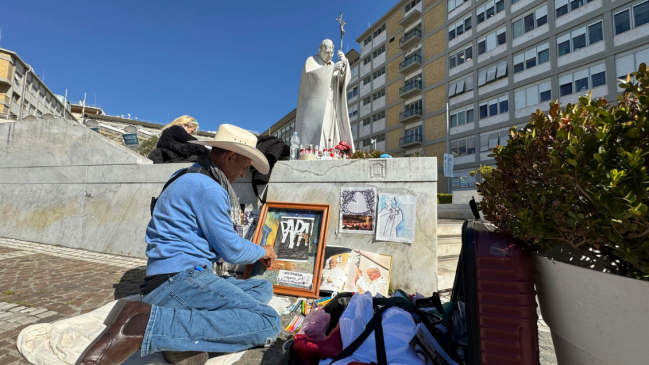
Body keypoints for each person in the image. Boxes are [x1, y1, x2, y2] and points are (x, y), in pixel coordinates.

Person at [75, 124, 280, 365]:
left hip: (179, 276)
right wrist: (262, 251)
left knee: (262, 290)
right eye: (244, 167)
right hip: (178, 279)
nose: (244, 175)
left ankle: (181, 337)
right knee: (268, 321)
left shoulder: (186, 175)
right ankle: (148, 324)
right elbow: (232, 250)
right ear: (230, 157)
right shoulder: (208, 187)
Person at [295, 39, 355, 152]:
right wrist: (331, 70)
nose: (330, 55)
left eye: (331, 53)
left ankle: (331, 150)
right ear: (320, 49)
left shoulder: (333, 64)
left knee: (330, 131)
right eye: (327, 52)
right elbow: (312, 76)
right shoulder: (311, 61)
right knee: (319, 132)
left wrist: (344, 65)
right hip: (316, 106)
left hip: (331, 103)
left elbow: (342, 83)